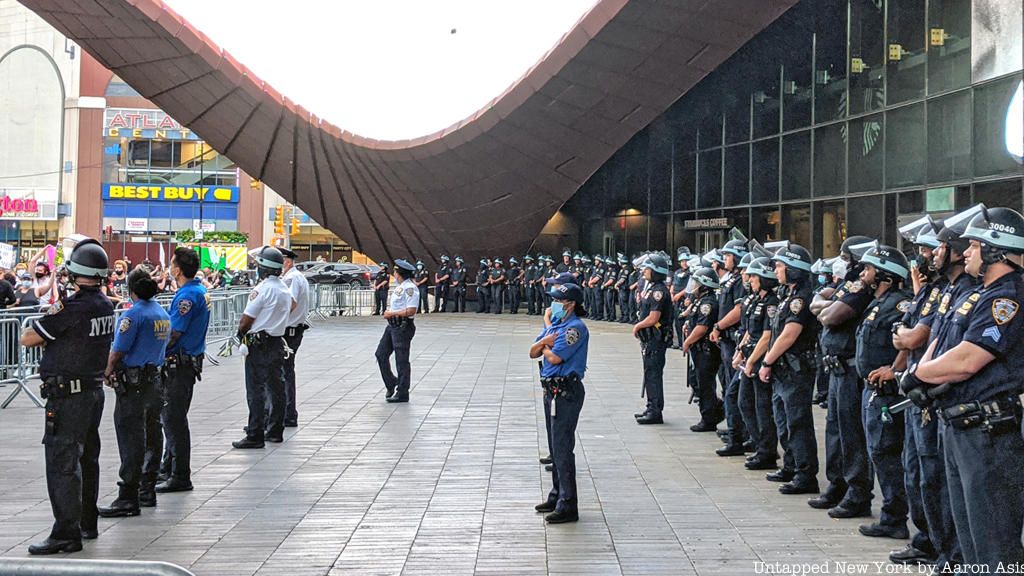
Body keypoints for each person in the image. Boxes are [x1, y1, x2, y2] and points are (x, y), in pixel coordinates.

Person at [906, 207, 1024, 570]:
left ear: (995, 250)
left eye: (974, 245)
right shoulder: (977, 295)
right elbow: (944, 343)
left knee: (993, 545)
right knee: (970, 540)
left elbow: (969, 359)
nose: (966, 252)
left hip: (987, 433)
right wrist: (925, 370)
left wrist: (919, 374)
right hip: (960, 426)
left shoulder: (1007, 298)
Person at [22, 238, 115, 555]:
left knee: (63, 461)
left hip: (68, 396)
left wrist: (51, 313)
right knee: (88, 459)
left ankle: (65, 533)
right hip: (91, 392)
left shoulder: (73, 308)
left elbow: (28, 337)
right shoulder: (105, 305)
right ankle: (87, 522)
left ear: (74, 273)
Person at [890, 215, 964, 569]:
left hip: (939, 396)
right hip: (921, 390)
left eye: (930, 248)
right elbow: (913, 333)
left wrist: (905, 342)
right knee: (917, 472)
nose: (925, 255)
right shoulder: (938, 290)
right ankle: (931, 542)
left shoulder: (961, 289)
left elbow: (919, 336)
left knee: (934, 477)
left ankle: (947, 550)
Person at [808, 235, 875, 517]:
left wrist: (826, 307)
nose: (841, 261)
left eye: (845, 256)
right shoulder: (847, 284)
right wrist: (826, 305)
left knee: (851, 433)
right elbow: (818, 304)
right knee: (834, 430)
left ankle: (857, 492)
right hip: (835, 367)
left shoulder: (860, 288)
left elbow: (830, 316)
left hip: (849, 369)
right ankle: (837, 485)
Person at [97, 269, 170, 518]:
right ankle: (146, 489)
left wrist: (106, 371)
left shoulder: (133, 314)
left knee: (131, 439)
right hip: (154, 381)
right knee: (152, 434)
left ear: (132, 290)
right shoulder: (162, 313)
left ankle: (128, 494)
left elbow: (118, 350)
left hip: (134, 384)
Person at [855, 244, 913, 540]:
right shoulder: (876, 301)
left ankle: (894, 517)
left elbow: (908, 339)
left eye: (868, 269)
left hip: (887, 392)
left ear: (885, 275)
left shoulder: (899, 304)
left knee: (886, 451)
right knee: (877, 451)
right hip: (871, 388)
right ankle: (892, 512)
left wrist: (895, 367)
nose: (863, 273)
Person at [759, 243, 819, 496]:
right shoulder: (787, 295)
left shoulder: (800, 298)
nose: (777, 271)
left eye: (781, 266)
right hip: (784, 369)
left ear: (794, 269)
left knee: (797, 422)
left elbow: (789, 335)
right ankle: (791, 465)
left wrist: (767, 361)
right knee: (783, 419)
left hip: (796, 368)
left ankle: (805, 474)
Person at [531, 282, 589, 524]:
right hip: (551, 390)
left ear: (570, 304)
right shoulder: (555, 326)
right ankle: (556, 495)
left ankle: (568, 503)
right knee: (555, 448)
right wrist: (545, 344)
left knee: (563, 448)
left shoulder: (574, 328)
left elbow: (554, 356)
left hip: (566, 391)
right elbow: (532, 351)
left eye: (558, 300)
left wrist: (544, 346)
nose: (553, 305)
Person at [156, 247, 209, 493]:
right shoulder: (198, 291)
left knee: (174, 420)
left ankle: (180, 474)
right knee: (172, 419)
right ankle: (168, 468)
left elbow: (174, 333)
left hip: (180, 363)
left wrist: (154, 354)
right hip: (187, 362)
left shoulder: (187, 296)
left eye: (172, 264)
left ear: (177, 269)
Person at [232, 246, 295, 449]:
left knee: (256, 390)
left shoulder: (262, 289)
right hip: (276, 342)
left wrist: (240, 334)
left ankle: (255, 434)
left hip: (259, 345)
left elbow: (247, 319)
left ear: (264, 268)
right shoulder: (285, 289)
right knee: (277, 388)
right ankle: (275, 430)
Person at [738, 257, 780, 469]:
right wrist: (740, 353)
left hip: (759, 358)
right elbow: (748, 331)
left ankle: (767, 452)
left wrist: (753, 361)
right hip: (749, 357)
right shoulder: (755, 299)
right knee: (744, 402)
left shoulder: (771, 303)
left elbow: (766, 336)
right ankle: (758, 443)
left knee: (762, 407)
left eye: (754, 276)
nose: (750, 279)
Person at [680, 267, 725, 432]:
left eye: (697, 283)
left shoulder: (708, 303)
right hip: (698, 350)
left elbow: (702, 327)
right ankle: (715, 409)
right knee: (696, 381)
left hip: (705, 350)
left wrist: (687, 341)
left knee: (705, 384)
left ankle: (709, 418)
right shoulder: (699, 301)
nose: (694, 286)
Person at [632, 252, 673, 425]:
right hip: (649, 339)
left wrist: (638, 326)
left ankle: (655, 411)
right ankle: (650, 407)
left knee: (654, 374)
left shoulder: (659, 291)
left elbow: (654, 317)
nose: (644, 271)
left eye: (647, 269)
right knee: (649, 373)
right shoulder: (651, 288)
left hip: (656, 339)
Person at [376, 260, 419, 403]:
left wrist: (392, 314)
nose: (393, 274)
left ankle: (402, 392)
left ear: (399, 274)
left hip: (402, 326)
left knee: (401, 360)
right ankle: (391, 382)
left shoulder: (410, 288)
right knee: (381, 354)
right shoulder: (401, 287)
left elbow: (411, 310)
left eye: (395, 272)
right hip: (392, 326)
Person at [280, 247, 310, 428]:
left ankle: (288, 414)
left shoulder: (291, 278)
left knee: (283, 373)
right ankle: (287, 413)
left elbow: (290, 303)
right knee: (286, 371)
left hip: (288, 331)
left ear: (288, 261)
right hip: (293, 330)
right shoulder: (296, 277)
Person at [670, 247, 691, 346]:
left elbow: (689, 286)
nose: (684, 263)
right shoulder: (677, 272)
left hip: (684, 298)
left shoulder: (690, 272)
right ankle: (679, 343)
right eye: (682, 261)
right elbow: (673, 284)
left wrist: (679, 295)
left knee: (684, 322)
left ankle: (684, 343)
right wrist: (672, 293)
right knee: (677, 322)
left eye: (686, 261)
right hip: (676, 300)